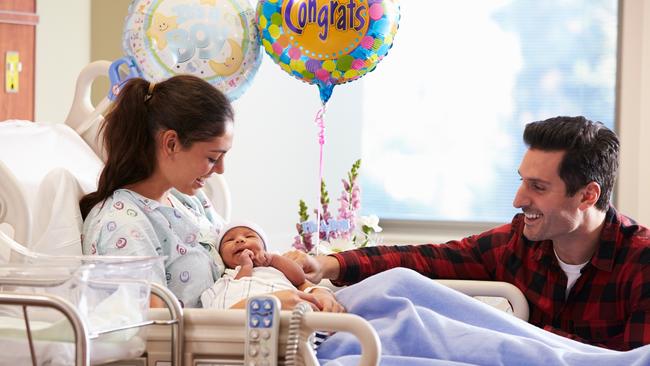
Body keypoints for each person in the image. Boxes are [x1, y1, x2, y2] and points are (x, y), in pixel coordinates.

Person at [287, 116, 650, 351]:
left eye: (538, 187)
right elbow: (429, 259)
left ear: (588, 195)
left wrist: (502, 336)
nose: (518, 200)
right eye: (521, 181)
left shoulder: (641, 262)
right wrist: (328, 264)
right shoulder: (519, 242)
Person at [80, 75, 338, 310]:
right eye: (213, 157)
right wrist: (257, 308)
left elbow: (243, 269)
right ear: (171, 143)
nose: (221, 169)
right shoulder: (123, 224)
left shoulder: (187, 200)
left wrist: (310, 290)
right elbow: (154, 331)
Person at [201, 220, 344, 312]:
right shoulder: (229, 276)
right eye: (229, 240)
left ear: (264, 247)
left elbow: (299, 278)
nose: (239, 240)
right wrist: (246, 266)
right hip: (254, 317)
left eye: (249, 236)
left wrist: (273, 259)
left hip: (294, 312)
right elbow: (237, 289)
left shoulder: (275, 264)